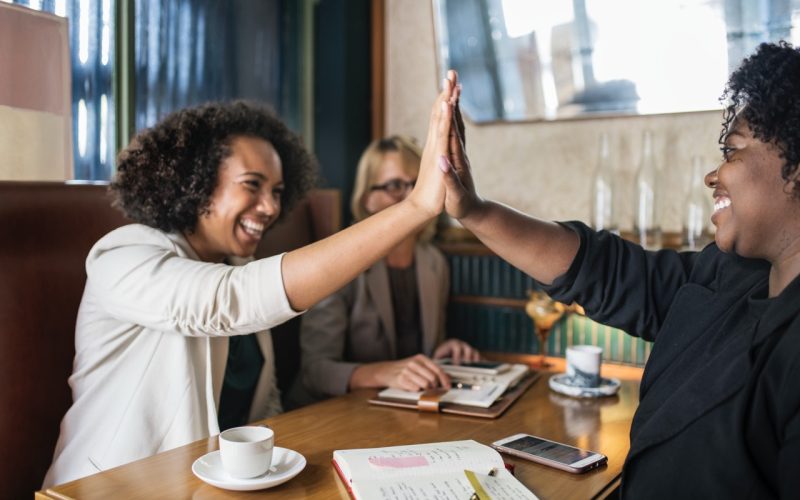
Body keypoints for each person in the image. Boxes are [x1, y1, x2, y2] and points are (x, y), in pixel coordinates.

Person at [43, 80, 458, 487]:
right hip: (105, 488)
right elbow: (229, 301)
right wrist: (417, 206)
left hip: (208, 487)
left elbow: (264, 406)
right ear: (196, 181)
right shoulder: (121, 255)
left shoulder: (239, 264)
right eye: (252, 186)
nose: (271, 207)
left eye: (277, 191)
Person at [441, 43, 800, 498]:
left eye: (732, 151)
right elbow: (606, 271)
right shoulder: (731, 275)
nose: (714, 176)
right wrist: (472, 210)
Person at [287, 135, 479, 407]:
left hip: (402, 410)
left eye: (419, 184)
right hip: (334, 412)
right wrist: (381, 373)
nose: (413, 196)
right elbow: (315, 373)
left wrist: (442, 354)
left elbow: (416, 354)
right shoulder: (340, 262)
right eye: (394, 185)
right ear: (367, 199)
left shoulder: (433, 262)